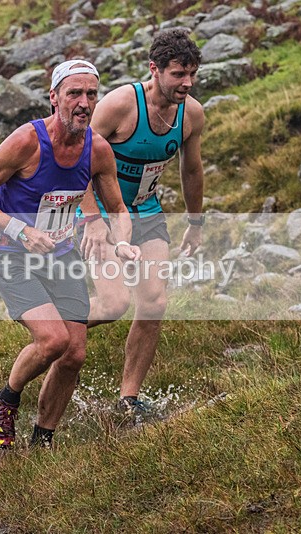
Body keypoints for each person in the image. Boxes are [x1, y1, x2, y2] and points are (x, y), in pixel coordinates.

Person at [0, 60, 140, 448]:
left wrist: (122, 240)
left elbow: (119, 209)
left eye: (92, 94)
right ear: (53, 97)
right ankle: (7, 397)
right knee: (54, 341)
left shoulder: (98, 150)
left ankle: (43, 439)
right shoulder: (26, 141)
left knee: (73, 355)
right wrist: (22, 231)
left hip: (60, 256)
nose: (84, 102)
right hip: (11, 255)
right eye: (74, 93)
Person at [77, 28, 205, 416]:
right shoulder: (120, 105)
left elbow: (192, 170)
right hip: (104, 211)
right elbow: (77, 159)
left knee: (154, 301)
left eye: (192, 73)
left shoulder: (192, 114)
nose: (187, 83)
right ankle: (52, 334)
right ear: (155, 69)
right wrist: (92, 218)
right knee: (114, 303)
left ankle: (127, 401)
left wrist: (196, 223)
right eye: (178, 74)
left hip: (147, 212)